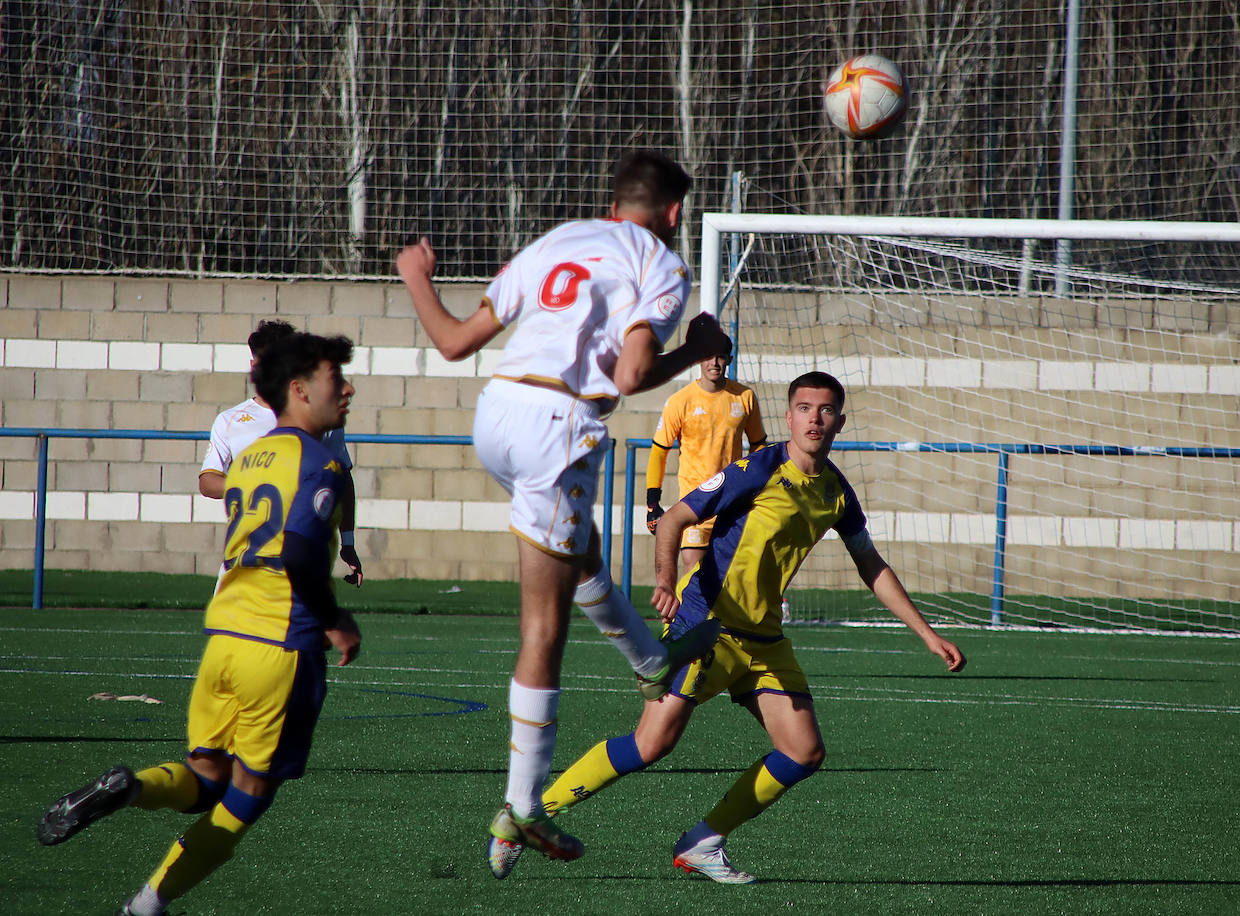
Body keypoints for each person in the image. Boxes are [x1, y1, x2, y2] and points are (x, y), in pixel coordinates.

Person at [395, 149, 733, 873]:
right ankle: (522, 805)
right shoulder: (659, 263)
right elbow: (633, 374)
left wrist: (415, 278)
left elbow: (454, 341)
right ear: (673, 212)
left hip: (498, 416)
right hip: (558, 427)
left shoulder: (560, 239)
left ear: (615, 201)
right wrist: (694, 349)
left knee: (577, 558)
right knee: (542, 627)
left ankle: (650, 660)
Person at [491, 371, 966, 884]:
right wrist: (667, 582)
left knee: (804, 751)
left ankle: (703, 840)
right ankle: (523, 819)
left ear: (839, 421)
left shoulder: (836, 492)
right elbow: (673, 518)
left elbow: (870, 564)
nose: (815, 418)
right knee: (651, 745)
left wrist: (927, 633)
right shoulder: (758, 467)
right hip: (707, 627)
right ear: (788, 417)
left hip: (763, 640)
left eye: (826, 410)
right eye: (804, 408)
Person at [37, 332, 364, 916]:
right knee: (247, 796)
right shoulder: (322, 462)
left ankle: (131, 787)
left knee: (205, 774)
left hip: (225, 640)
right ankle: (148, 903)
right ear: (298, 389)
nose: (346, 388)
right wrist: (336, 617)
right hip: (280, 646)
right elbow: (294, 549)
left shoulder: (250, 457)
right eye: (334, 379)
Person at [199, 320, 363, 586]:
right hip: (241, 570)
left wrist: (349, 540)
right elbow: (208, 482)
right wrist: (256, 481)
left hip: (296, 570)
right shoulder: (231, 421)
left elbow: (342, 478)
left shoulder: (320, 421)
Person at [644, 339, 766, 574]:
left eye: (720, 356)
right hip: (695, 503)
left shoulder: (745, 397)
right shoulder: (680, 401)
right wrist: (652, 502)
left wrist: (753, 487)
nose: (714, 363)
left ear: (729, 359)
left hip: (733, 502)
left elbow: (758, 445)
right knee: (693, 573)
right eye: (708, 356)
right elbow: (659, 451)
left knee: (733, 578)